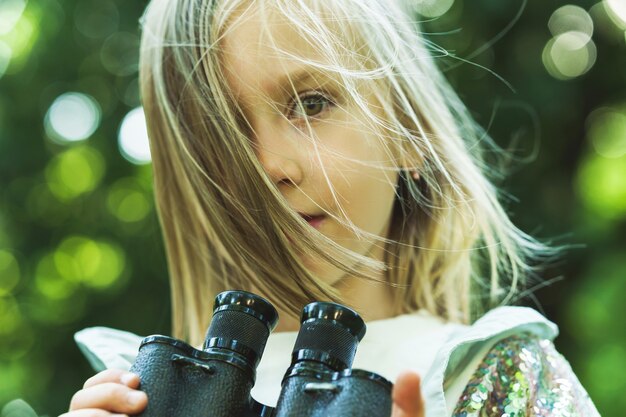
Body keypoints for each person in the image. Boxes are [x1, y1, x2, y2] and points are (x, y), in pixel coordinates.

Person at [62, 0, 600, 416]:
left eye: (312, 104)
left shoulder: (490, 375)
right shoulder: (138, 390)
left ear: (408, 128)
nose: (273, 166)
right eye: (224, 136)